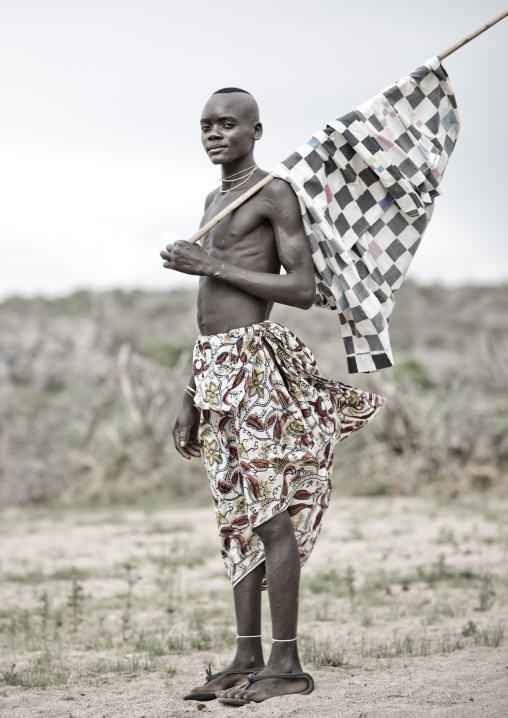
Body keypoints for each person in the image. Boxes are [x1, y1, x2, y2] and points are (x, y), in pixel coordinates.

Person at [160, 88, 384, 706]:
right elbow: (211, 318)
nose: (213, 134)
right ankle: (246, 655)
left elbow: (303, 288)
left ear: (256, 131)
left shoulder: (272, 192)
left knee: (270, 510)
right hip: (215, 368)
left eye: (227, 124)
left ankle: (286, 666)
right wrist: (191, 393)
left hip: (257, 368)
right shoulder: (215, 198)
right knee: (236, 517)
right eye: (205, 124)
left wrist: (209, 265)